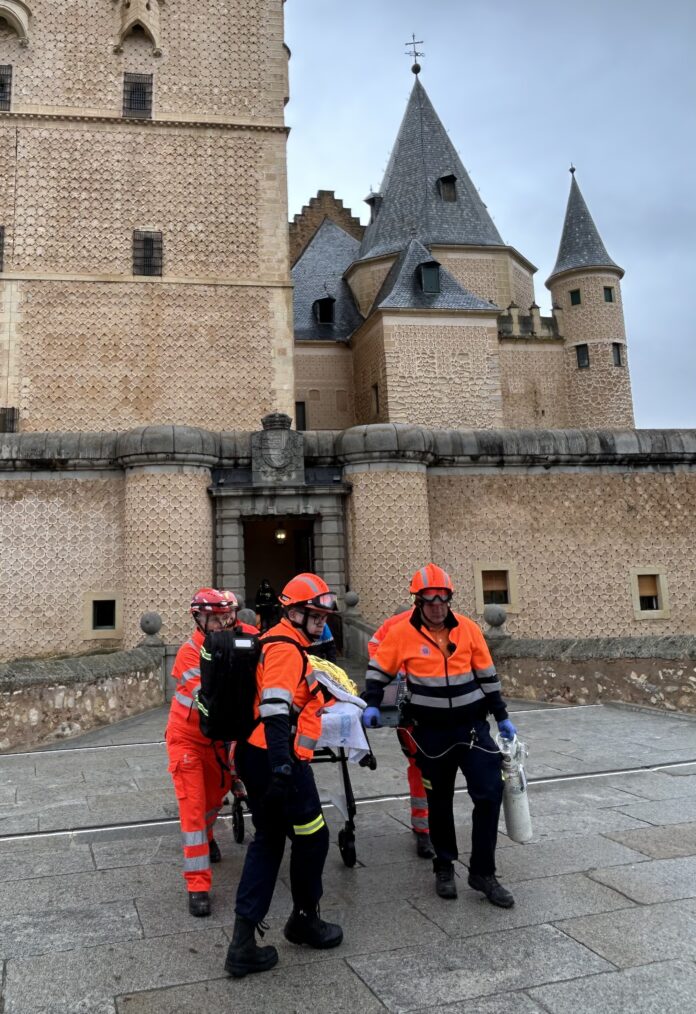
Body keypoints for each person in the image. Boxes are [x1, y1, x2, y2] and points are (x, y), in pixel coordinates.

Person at [362, 564, 517, 907]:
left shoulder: (469, 630)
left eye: (442, 598)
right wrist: (372, 702)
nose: (436, 605)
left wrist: (502, 715)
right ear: (417, 601)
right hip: (430, 732)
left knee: (490, 793)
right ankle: (444, 864)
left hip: (473, 727)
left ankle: (483, 872)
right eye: (429, 599)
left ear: (450, 598)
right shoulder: (402, 633)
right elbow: (378, 671)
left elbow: (487, 675)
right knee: (439, 800)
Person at [225, 572, 343, 979]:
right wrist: (281, 768)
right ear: (294, 612)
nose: (322, 622)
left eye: (324, 616)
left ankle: (242, 942)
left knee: (271, 839)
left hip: (257, 755)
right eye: (315, 616)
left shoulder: (280, 640)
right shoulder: (285, 648)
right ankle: (304, 920)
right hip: (274, 759)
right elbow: (276, 709)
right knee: (314, 836)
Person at [166, 588, 256, 918]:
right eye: (214, 618)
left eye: (226, 616)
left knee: (214, 801)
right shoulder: (190, 654)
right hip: (188, 739)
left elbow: (268, 653)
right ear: (199, 619)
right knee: (193, 809)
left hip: (219, 740)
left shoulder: (245, 636)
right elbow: (210, 700)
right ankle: (198, 885)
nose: (221, 623)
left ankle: (207, 836)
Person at [368, 604, 435, 860]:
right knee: (419, 766)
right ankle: (423, 828)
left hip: (440, 708)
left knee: (438, 768)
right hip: (410, 707)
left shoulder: (450, 625)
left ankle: (434, 822)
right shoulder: (398, 623)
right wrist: (397, 672)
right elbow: (375, 646)